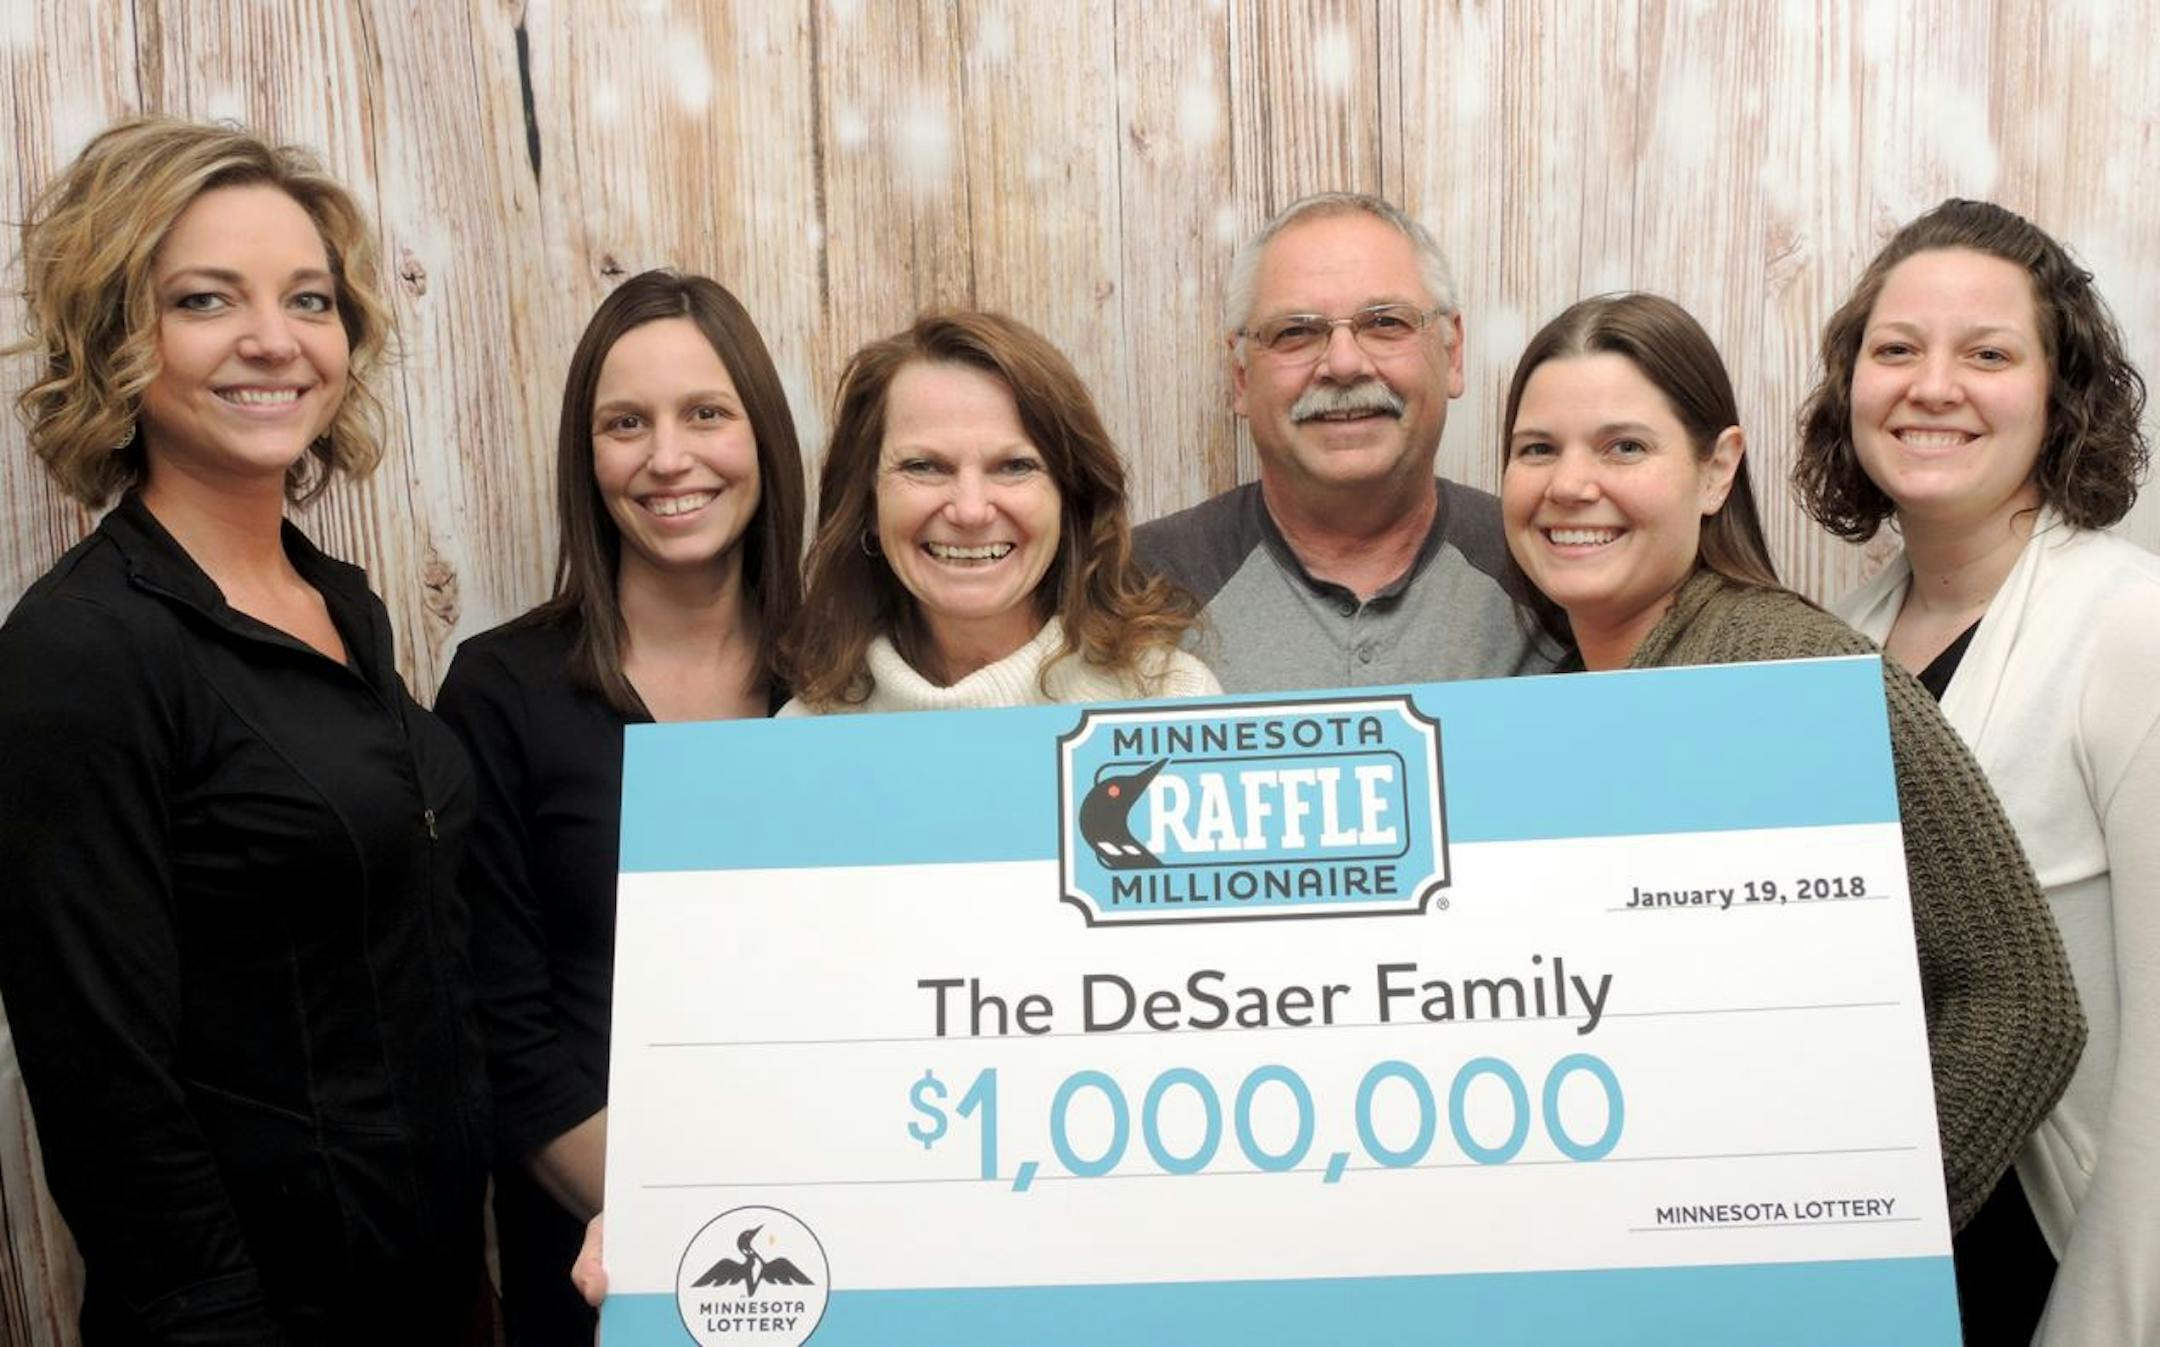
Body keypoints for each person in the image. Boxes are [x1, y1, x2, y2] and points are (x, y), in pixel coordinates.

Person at [0, 118, 489, 1343]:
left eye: (308, 299)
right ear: (121, 335)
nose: (275, 340)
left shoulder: (341, 604)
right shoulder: (84, 652)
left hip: (430, 1291)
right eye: (208, 300)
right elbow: (104, 1088)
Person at [1497, 291, 2083, 1238]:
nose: (1571, 484)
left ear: (1716, 469)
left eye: (1624, 447)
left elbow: (2021, 1004)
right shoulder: (1553, 713)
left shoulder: (1792, 674)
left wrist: (1846, 1237)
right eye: (1537, 449)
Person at [1794, 199, 2158, 1345]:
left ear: (2062, 398)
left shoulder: (2129, 628)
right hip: (1893, 1260)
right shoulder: (1836, 638)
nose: (1932, 386)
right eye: (1896, 350)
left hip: (2059, 1258)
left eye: (1988, 354)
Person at [432, 271, 804, 1346]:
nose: (668, 458)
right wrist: (699, 1227)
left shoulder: (842, 681)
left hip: (846, 1252)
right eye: (625, 424)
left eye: (706, 414)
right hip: (605, 1267)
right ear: (586, 459)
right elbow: (508, 1044)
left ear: (762, 438)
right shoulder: (500, 695)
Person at [1134, 192, 1565, 692]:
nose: (1343, 364)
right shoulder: (1132, 591)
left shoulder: (1553, 570)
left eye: (1385, 322)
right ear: (1241, 377)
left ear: (1452, 354)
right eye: (1296, 332)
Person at [781, 309, 1219, 712]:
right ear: (867, 503)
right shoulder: (803, 741)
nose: (970, 512)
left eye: (1015, 466)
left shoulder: (1170, 704)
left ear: (1071, 499)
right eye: (924, 466)